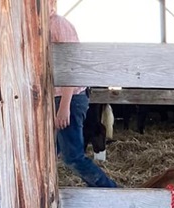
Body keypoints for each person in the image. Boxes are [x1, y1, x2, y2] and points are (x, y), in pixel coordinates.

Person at [48, 0, 117, 188]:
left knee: (72, 157)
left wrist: (64, 106)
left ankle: (110, 190)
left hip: (68, 97)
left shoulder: (57, 24)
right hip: (56, 97)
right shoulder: (41, 27)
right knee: (49, 151)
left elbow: (72, 65)